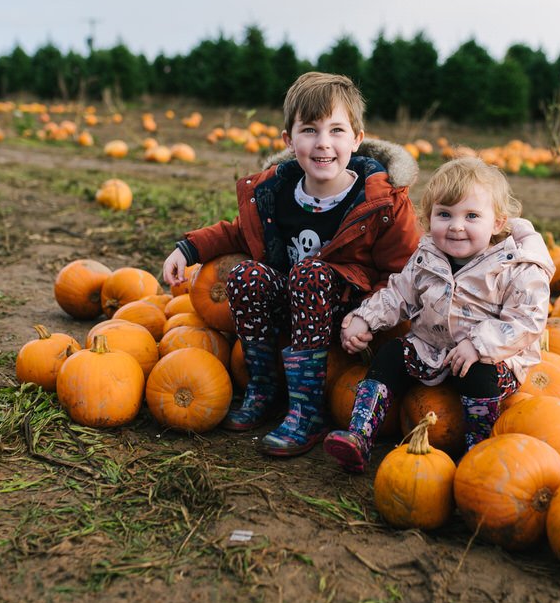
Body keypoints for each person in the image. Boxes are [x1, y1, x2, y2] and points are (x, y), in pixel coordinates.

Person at [162, 72, 422, 456]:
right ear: (289, 140)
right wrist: (188, 249)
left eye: (336, 131)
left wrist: (368, 316)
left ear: (357, 139)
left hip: (351, 317)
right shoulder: (277, 193)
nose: (323, 143)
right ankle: (263, 387)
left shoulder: (379, 203)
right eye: (309, 130)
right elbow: (239, 233)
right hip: (291, 311)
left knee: (310, 273)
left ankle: (307, 411)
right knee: (246, 275)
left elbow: (402, 272)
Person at [324, 156, 555, 472]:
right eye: (445, 214)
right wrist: (366, 318)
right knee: (392, 354)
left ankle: (477, 452)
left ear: (497, 223)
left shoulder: (516, 266)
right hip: (433, 348)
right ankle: (360, 434)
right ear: (429, 217)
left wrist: (478, 345)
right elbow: (399, 293)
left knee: (479, 374)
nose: (456, 226)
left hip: (494, 357)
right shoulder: (427, 256)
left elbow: (527, 321)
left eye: (472, 216)